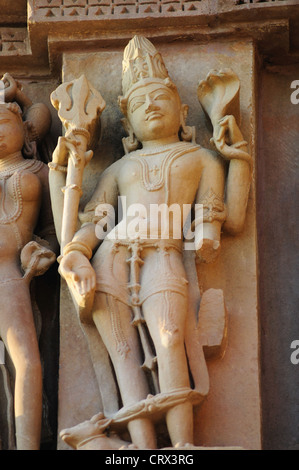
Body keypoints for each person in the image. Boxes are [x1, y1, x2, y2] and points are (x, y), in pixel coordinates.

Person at [50, 36, 252, 449]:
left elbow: (229, 219)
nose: (150, 106)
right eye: (140, 103)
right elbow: (95, 224)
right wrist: (76, 254)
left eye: (160, 98)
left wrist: (238, 157)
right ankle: (142, 451)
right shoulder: (121, 169)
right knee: (124, 354)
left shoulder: (200, 159)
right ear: (127, 125)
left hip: (163, 254)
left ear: (182, 113)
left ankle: (181, 448)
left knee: (170, 334)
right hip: (110, 262)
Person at [0, 74, 57, 450]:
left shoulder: (39, 172)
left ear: (24, 129)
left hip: (9, 273)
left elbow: (56, 229)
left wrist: (43, 252)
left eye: (3, 124)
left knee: (27, 360)